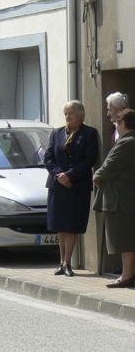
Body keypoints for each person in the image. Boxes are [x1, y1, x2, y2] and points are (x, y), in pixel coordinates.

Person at [43, 100, 99, 277]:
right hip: (58, 186)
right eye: (66, 113)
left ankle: (68, 263)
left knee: (71, 224)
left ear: (81, 115)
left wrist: (70, 175)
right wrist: (59, 175)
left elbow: (89, 159)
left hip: (77, 186)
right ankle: (61, 262)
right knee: (60, 224)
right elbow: (48, 157)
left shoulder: (89, 133)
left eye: (71, 113)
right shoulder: (57, 133)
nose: (67, 116)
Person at [93, 108, 135, 288]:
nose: (116, 126)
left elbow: (109, 166)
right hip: (124, 197)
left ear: (124, 123)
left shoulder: (127, 142)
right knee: (125, 238)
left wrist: (96, 177)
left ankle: (126, 276)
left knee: (124, 238)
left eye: (117, 122)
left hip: (121, 199)